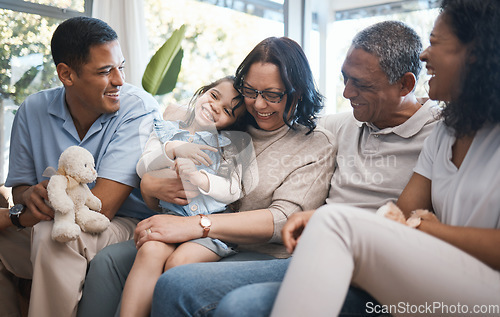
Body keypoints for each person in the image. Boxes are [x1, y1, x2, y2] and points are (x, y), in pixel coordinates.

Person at [149, 21, 440, 317]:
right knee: (128, 263)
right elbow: (185, 124)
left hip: (354, 260)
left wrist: (199, 224)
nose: (347, 92)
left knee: (208, 293)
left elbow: (289, 198)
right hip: (317, 249)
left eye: (361, 84)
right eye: (344, 78)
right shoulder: (349, 121)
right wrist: (151, 181)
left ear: (405, 84)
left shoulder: (441, 134)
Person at [78, 36, 336, 317]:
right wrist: (150, 186)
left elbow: (283, 220)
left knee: (179, 271)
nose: (259, 104)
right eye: (250, 91)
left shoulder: (315, 144)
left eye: (272, 95)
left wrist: (198, 225)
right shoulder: (228, 124)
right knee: (108, 261)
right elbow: (172, 190)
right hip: (193, 232)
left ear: (297, 92)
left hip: (260, 252)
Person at [271, 0, 500, 316]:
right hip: (444, 271)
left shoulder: (441, 126)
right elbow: (401, 216)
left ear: (477, 54)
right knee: (331, 222)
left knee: (335, 221)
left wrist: (430, 229)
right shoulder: (449, 129)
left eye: (436, 43)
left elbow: (409, 225)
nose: (424, 55)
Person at [0, 16, 159, 317]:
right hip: (54, 217)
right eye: (104, 71)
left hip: (122, 225)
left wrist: (44, 208)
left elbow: (104, 206)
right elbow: (19, 189)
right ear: (66, 74)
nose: (119, 81)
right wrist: (28, 197)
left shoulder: (138, 108)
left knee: (53, 236)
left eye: (120, 67)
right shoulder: (32, 110)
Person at [120, 76, 251, 317]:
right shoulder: (166, 131)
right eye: (214, 96)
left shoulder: (228, 147)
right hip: (171, 220)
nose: (215, 107)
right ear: (203, 92)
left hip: (209, 231)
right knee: (149, 251)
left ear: (232, 123)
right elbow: (142, 167)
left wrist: (202, 179)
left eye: (227, 111)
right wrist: (172, 149)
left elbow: (234, 190)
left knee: (179, 263)